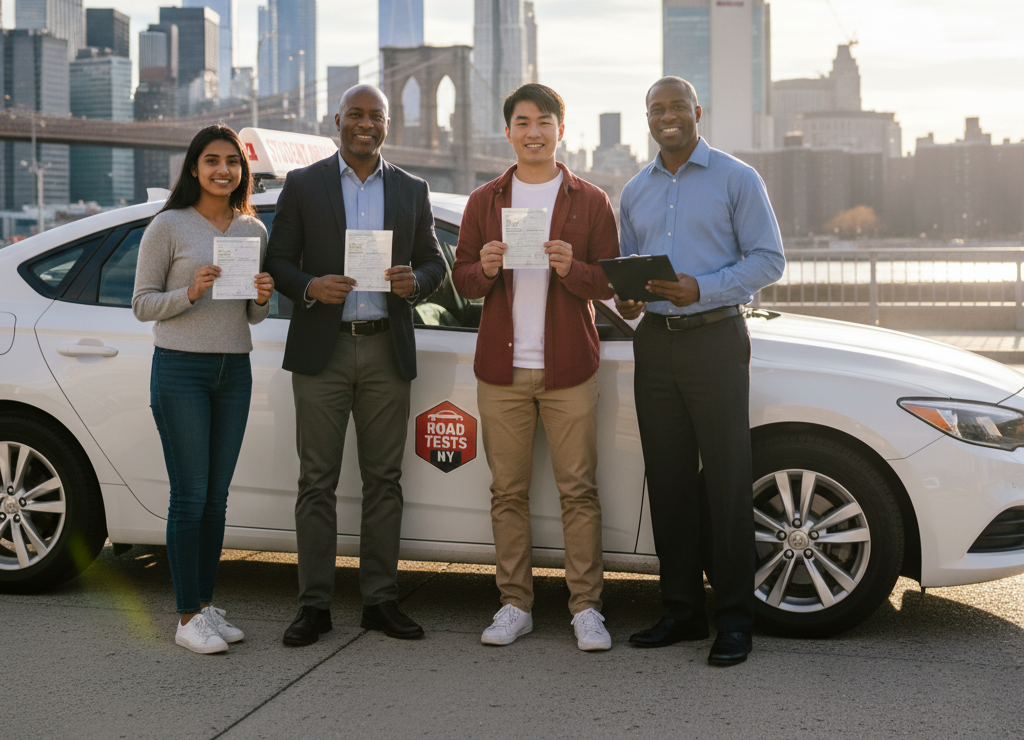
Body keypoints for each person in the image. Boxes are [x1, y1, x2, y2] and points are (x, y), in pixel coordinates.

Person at [265, 84, 446, 647]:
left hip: (385, 347)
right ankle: (314, 605)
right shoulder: (303, 184)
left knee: (383, 480)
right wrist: (310, 287)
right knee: (315, 481)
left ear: (387, 125)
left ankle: (379, 601)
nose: (365, 124)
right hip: (325, 348)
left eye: (376, 117)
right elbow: (277, 259)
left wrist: (415, 281)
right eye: (356, 115)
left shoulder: (412, 189)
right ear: (337, 119)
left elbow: (436, 261)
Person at [616, 77, 785, 666]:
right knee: (666, 482)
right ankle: (681, 611)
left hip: (715, 339)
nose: (667, 117)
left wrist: (702, 289)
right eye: (656, 108)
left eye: (677, 107)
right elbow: (630, 269)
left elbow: (770, 259)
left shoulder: (737, 178)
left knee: (728, 482)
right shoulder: (634, 189)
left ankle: (735, 618)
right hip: (654, 346)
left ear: (697, 112)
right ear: (647, 116)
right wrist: (629, 299)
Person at [452, 83, 620, 651]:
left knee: (579, 490)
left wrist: (575, 269)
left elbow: (611, 282)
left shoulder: (590, 200)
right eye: (522, 122)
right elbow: (463, 282)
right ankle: (514, 603)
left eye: (544, 122)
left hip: (569, 368)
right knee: (508, 492)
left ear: (561, 130)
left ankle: (586, 608)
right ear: (508, 132)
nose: (533, 132)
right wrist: (487, 268)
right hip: (501, 371)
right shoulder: (484, 201)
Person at [133, 124, 275, 654]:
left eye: (232, 162)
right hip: (181, 370)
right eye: (212, 161)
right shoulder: (168, 226)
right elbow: (143, 303)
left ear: (243, 171)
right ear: (194, 168)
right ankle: (187, 614)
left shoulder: (252, 231)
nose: (223, 170)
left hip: (233, 370)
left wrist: (263, 296)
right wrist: (190, 291)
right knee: (189, 496)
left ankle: (206, 605)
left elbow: (253, 318)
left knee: (216, 499)